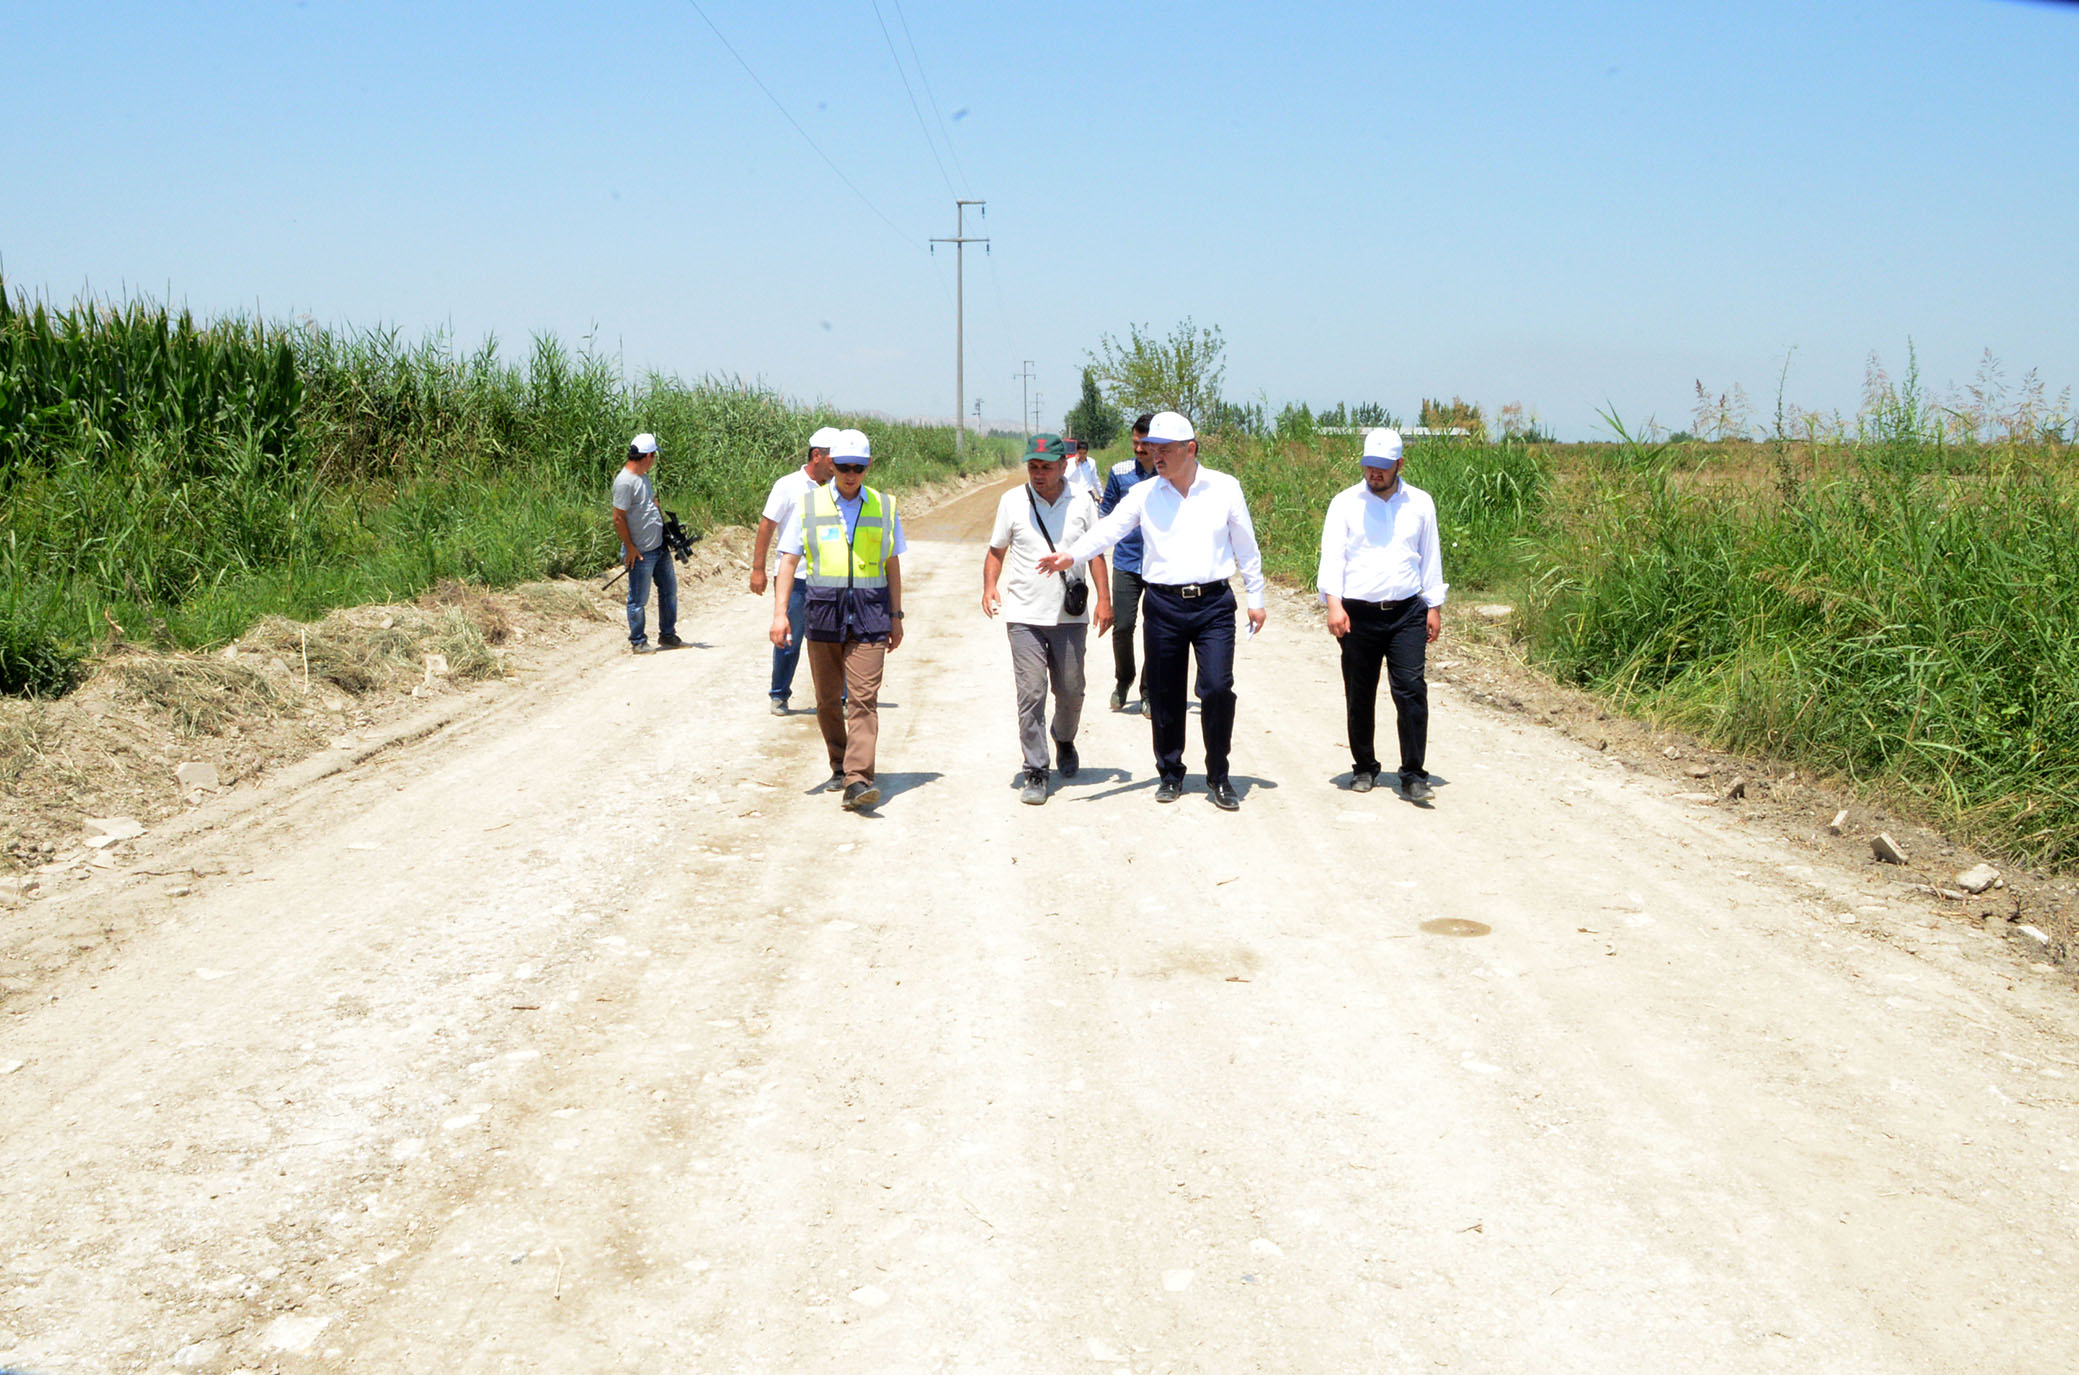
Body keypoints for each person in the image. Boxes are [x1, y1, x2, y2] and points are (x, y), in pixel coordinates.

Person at [1043, 411, 1265, 810]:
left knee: (1217, 688)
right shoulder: (1144, 493)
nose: (1154, 456)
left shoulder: (1225, 488)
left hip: (1214, 605)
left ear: (1190, 449)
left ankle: (1218, 775)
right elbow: (1109, 529)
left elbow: (1246, 545)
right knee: (1165, 693)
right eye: (1151, 448)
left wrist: (1257, 598)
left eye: (1163, 449)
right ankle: (1170, 772)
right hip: (1163, 605)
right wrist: (1072, 555)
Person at [769, 428, 906, 811]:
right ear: (830, 463)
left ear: (868, 466)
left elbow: (892, 563)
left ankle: (857, 779)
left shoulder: (884, 506)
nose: (850, 475)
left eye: (858, 468)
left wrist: (896, 615)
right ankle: (839, 764)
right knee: (828, 701)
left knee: (862, 699)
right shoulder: (809, 505)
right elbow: (788, 561)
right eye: (844, 467)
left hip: (871, 615)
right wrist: (780, 614)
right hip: (824, 615)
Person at [1317, 427, 1447, 801]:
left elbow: (1430, 556)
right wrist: (1333, 604)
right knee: (1360, 692)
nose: (1374, 473)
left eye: (1382, 467)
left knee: (1411, 690)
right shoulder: (1345, 503)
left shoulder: (1420, 503)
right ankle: (1364, 766)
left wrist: (1434, 606)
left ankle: (1413, 773)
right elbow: (1332, 557)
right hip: (1357, 614)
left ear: (1399, 464)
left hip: (1407, 611)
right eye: (1368, 465)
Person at [983, 434, 1113, 805]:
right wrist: (990, 587)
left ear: (1063, 466)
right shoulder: (1012, 501)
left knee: (1071, 689)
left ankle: (1064, 737)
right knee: (1032, 692)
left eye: (1045, 467)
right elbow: (996, 551)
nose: (1038, 474)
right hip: (1024, 614)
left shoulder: (1082, 501)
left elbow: (1097, 553)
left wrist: (1104, 600)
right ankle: (1036, 770)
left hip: (1069, 615)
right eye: (1032, 467)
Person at [752, 426, 840, 714]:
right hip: (795, 578)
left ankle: (840, 697)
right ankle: (779, 694)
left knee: (835, 638)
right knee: (788, 637)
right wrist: (758, 569)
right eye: (834, 458)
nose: (838, 465)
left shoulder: (839, 489)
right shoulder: (787, 486)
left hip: (829, 576)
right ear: (817, 456)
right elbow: (767, 525)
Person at [1097, 414, 1158, 713]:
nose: (1139, 449)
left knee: (1155, 631)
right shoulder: (1120, 472)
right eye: (1135, 442)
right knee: (1122, 626)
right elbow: (1105, 513)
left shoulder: (1168, 473)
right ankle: (1124, 679)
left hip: (1160, 567)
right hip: (1126, 562)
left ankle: (1149, 690)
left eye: (1145, 444)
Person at [611, 431, 680, 654]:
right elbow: (618, 517)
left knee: (669, 591)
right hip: (641, 552)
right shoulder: (624, 482)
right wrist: (630, 547)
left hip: (659, 547)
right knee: (638, 599)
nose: (654, 461)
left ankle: (667, 634)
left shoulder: (643, 477)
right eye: (654, 456)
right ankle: (638, 641)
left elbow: (650, 503)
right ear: (648, 456)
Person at [1064, 437, 1101, 502]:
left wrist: (1101, 495)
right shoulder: (1070, 462)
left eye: (1084, 453)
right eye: (1080, 453)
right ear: (1076, 452)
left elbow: (1095, 479)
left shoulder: (1091, 462)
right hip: (1074, 494)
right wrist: (1075, 465)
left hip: (1088, 493)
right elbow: (1066, 478)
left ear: (1087, 452)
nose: (1082, 455)